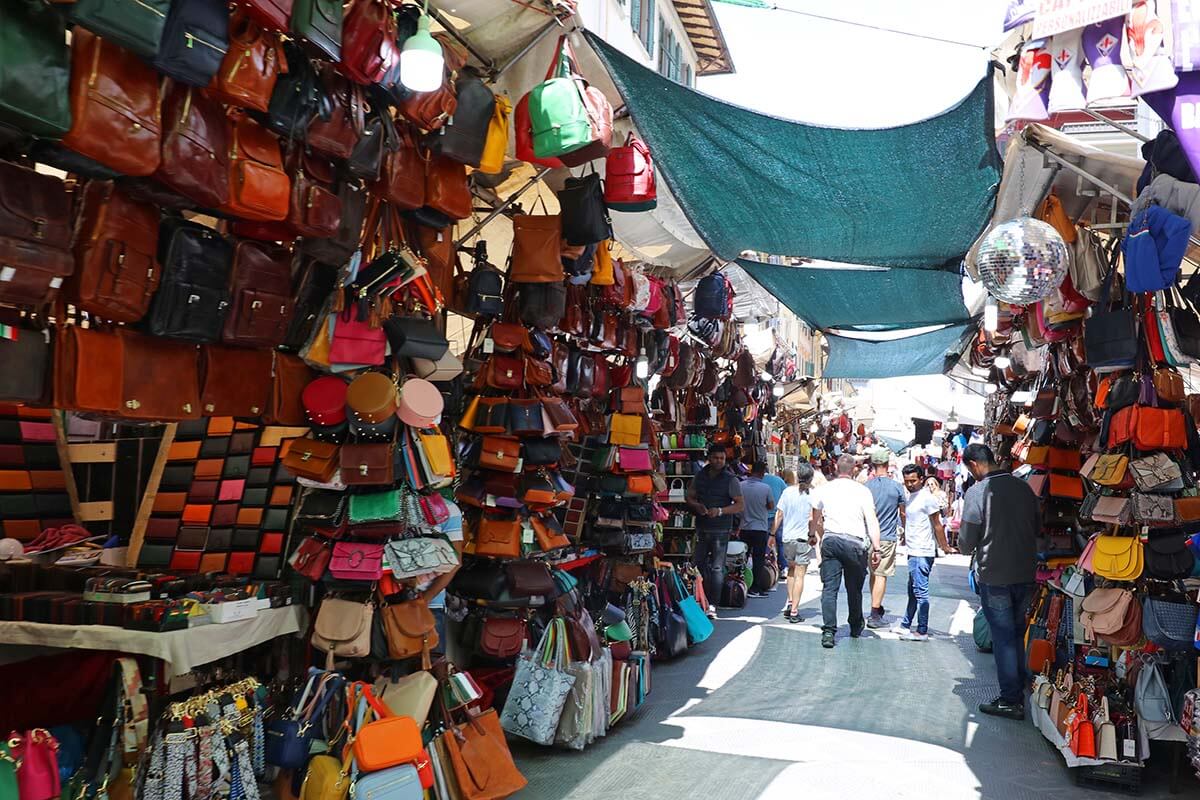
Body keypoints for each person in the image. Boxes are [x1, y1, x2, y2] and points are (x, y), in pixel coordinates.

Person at [957, 443, 1040, 721]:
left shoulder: (978, 492)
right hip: (1026, 573)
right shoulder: (1024, 488)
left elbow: (967, 541)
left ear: (973, 465)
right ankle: (1017, 690)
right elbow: (1037, 528)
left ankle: (1010, 699)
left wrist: (967, 545)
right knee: (1016, 634)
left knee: (1003, 638)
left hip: (996, 574)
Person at [810, 454, 882, 649]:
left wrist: (811, 534)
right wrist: (877, 548)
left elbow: (815, 515)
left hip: (831, 540)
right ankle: (855, 624)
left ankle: (828, 631)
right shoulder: (863, 491)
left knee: (829, 588)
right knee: (854, 588)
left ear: (835, 468)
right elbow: (871, 520)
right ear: (854, 470)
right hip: (854, 544)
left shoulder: (824, 489)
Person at [896, 465, 955, 642]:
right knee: (913, 590)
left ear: (921, 479)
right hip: (914, 550)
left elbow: (937, 524)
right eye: (906, 481)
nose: (910, 484)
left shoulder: (927, 498)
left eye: (913, 481)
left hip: (922, 551)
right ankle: (906, 624)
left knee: (920, 592)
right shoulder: (911, 497)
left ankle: (922, 630)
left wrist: (945, 546)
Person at [686, 444, 745, 616]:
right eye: (716, 458)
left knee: (717, 568)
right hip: (702, 527)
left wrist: (720, 511)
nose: (719, 461)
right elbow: (689, 496)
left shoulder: (730, 479)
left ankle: (713, 604)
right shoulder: (700, 476)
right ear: (709, 458)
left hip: (721, 529)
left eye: (722, 458)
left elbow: (740, 505)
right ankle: (697, 600)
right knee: (697, 565)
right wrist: (697, 506)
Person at [865, 449, 905, 628]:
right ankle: (874, 613)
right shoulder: (896, 487)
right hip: (887, 537)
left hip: (867, 537)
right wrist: (904, 528)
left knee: (874, 572)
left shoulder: (866, 487)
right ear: (888, 465)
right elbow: (903, 512)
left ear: (872, 466)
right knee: (881, 574)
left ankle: (876, 606)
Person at [773, 464, 815, 622]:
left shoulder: (787, 492)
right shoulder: (812, 494)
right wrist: (813, 535)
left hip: (787, 538)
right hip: (803, 539)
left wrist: (772, 533)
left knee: (791, 570)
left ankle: (790, 603)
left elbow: (779, 514)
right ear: (811, 477)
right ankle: (795, 611)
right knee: (800, 575)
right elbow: (813, 518)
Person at [739, 462, 776, 598]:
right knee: (758, 558)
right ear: (762, 473)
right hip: (760, 528)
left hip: (744, 527)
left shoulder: (741, 485)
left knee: (743, 558)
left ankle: (741, 583)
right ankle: (756, 587)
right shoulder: (765, 488)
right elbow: (771, 506)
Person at [761, 469, 788, 577]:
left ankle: (766, 566)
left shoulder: (759, 481)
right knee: (780, 542)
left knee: (765, 542)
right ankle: (784, 567)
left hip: (763, 516)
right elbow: (786, 494)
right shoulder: (779, 480)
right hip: (778, 515)